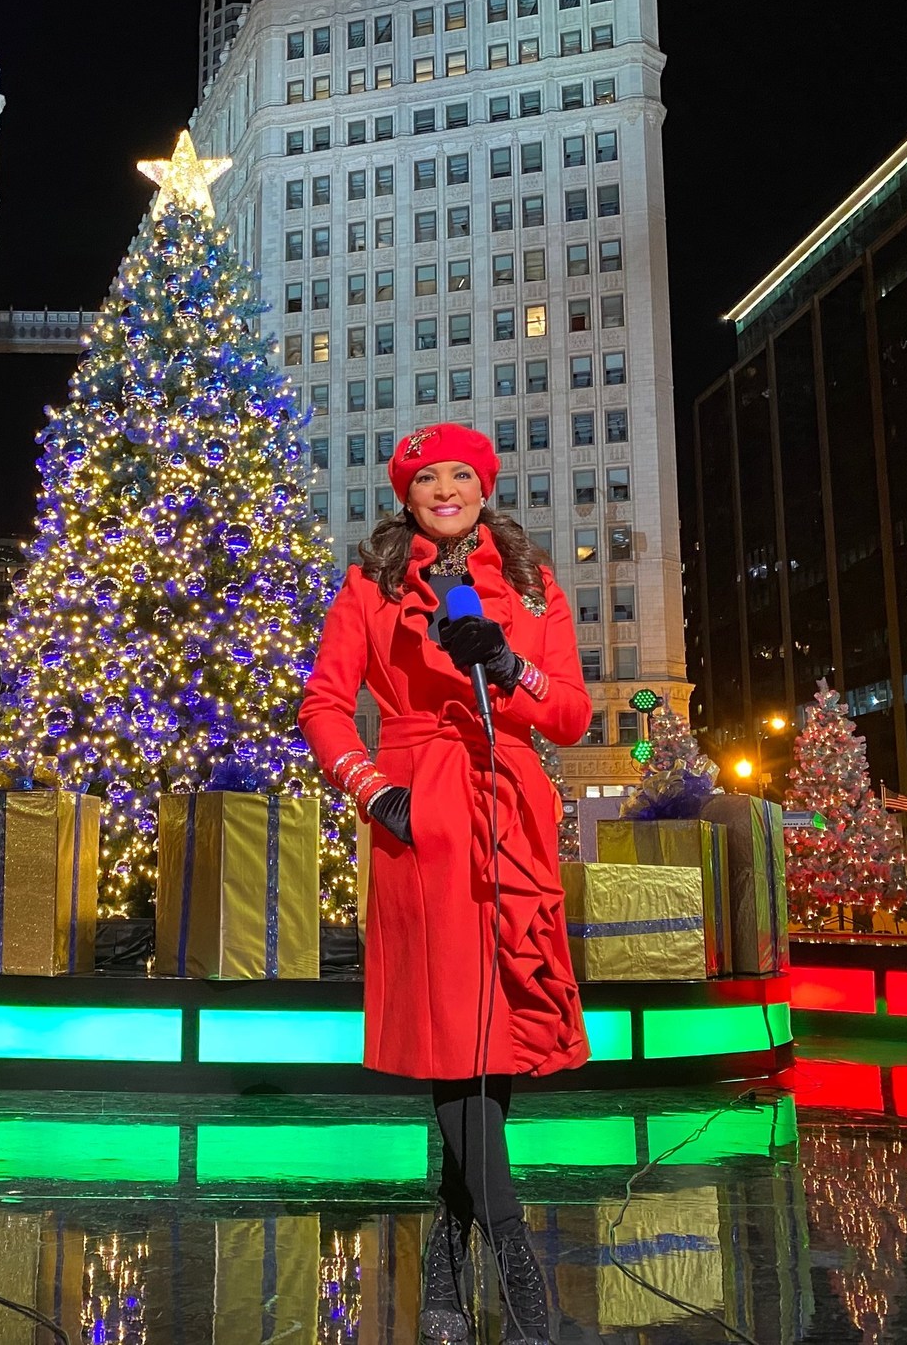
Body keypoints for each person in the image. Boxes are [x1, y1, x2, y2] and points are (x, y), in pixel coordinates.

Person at [299, 424, 592, 1345]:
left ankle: (445, 1248)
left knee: (497, 1032)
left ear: (483, 484)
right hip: (421, 813)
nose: (446, 488)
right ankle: (513, 1248)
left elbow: (572, 715)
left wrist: (508, 665)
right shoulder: (371, 583)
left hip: (512, 806)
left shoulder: (533, 583)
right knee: (453, 1032)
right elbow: (322, 704)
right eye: (427, 477)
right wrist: (372, 789)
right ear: (406, 493)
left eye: (461, 473)